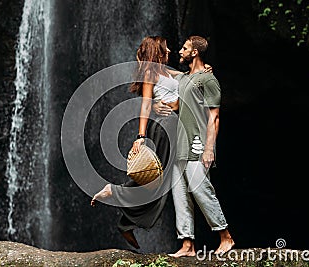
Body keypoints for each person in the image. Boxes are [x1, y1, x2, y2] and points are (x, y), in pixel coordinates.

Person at [90, 36, 213, 250]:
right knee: (161, 180)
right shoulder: (150, 73)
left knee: (163, 181)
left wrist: (203, 69)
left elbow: (188, 78)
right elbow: (146, 105)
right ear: (158, 50)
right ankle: (114, 192)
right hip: (165, 127)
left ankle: (126, 223)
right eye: (166, 47)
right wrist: (140, 137)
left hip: (176, 127)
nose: (170, 49)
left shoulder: (167, 71)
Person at [153, 35, 235, 257]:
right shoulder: (184, 79)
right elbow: (175, 96)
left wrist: (210, 148)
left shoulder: (208, 80)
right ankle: (187, 244)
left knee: (200, 189)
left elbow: (214, 116)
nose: (180, 50)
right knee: (179, 194)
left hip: (198, 143)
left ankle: (225, 236)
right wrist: (157, 104)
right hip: (180, 144)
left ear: (195, 52)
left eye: (185, 48)